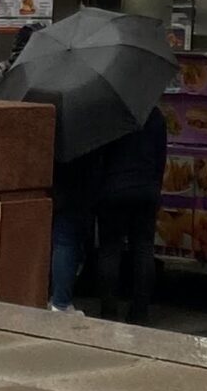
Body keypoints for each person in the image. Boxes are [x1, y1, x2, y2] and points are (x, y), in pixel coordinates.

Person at [92, 106, 169, 326]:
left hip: (112, 190)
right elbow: (160, 158)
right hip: (146, 191)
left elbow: (99, 158)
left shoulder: (108, 117)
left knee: (109, 250)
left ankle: (108, 310)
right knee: (143, 249)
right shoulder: (155, 116)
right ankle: (140, 312)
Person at [49, 144, 100, 313]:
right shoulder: (87, 134)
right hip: (76, 193)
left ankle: (56, 298)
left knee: (61, 243)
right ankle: (60, 302)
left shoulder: (59, 131)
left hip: (59, 190)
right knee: (67, 243)